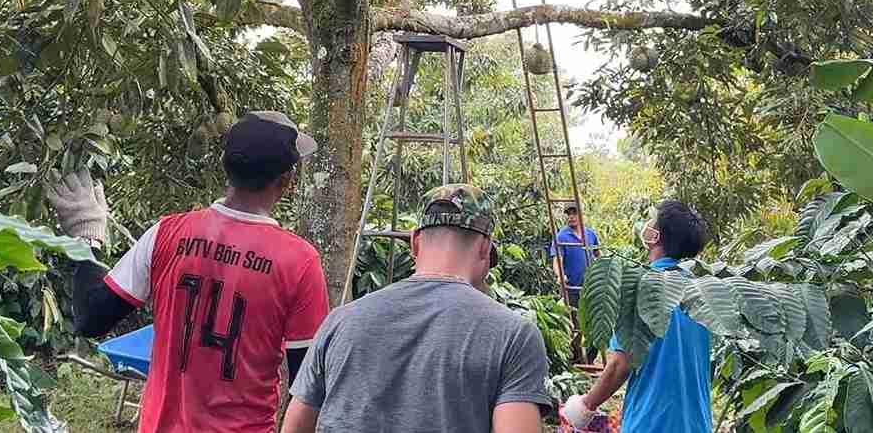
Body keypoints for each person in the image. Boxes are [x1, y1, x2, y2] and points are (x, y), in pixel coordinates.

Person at [47, 111, 329, 433]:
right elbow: (308, 386)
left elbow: (91, 318)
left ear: (226, 169)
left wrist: (87, 237)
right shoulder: (299, 262)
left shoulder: (167, 233)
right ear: (286, 180)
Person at [281, 184, 553, 433]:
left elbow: (294, 427)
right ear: (484, 247)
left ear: (414, 242)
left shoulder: (339, 321)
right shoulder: (513, 335)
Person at [562, 200, 713, 433]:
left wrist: (584, 406)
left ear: (655, 236)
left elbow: (619, 364)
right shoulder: (702, 292)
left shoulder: (641, 287)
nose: (646, 224)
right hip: (697, 424)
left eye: (651, 220)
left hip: (651, 423)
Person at [550, 202, 600, 361]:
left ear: (580, 215)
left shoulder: (590, 234)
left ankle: (591, 359)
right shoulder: (561, 236)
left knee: (595, 323)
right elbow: (557, 260)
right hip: (571, 288)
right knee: (574, 325)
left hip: (591, 287)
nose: (571, 217)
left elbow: (598, 255)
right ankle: (575, 358)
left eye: (574, 213)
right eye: (568, 214)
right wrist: (560, 275)